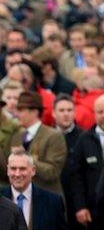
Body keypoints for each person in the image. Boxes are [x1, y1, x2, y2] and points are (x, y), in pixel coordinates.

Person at [10, 91, 67, 195]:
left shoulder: (54, 136)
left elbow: (52, 172)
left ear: (35, 112)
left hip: (47, 198)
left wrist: (26, 158)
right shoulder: (17, 136)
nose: (17, 114)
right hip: (21, 199)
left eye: (21, 110)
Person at [1, 151, 67, 230]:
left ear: (33, 170)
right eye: (13, 169)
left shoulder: (53, 202)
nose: (17, 174)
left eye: (22, 169)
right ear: (8, 171)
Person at [69, 94, 104, 229]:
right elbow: (76, 176)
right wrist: (80, 206)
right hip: (94, 211)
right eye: (100, 112)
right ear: (94, 113)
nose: (103, 115)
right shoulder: (84, 140)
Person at [53, 93, 84, 230]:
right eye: (61, 110)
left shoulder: (85, 137)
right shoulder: (47, 136)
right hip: (53, 198)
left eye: (69, 110)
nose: (66, 114)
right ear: (53, 113)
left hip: (77, 202)